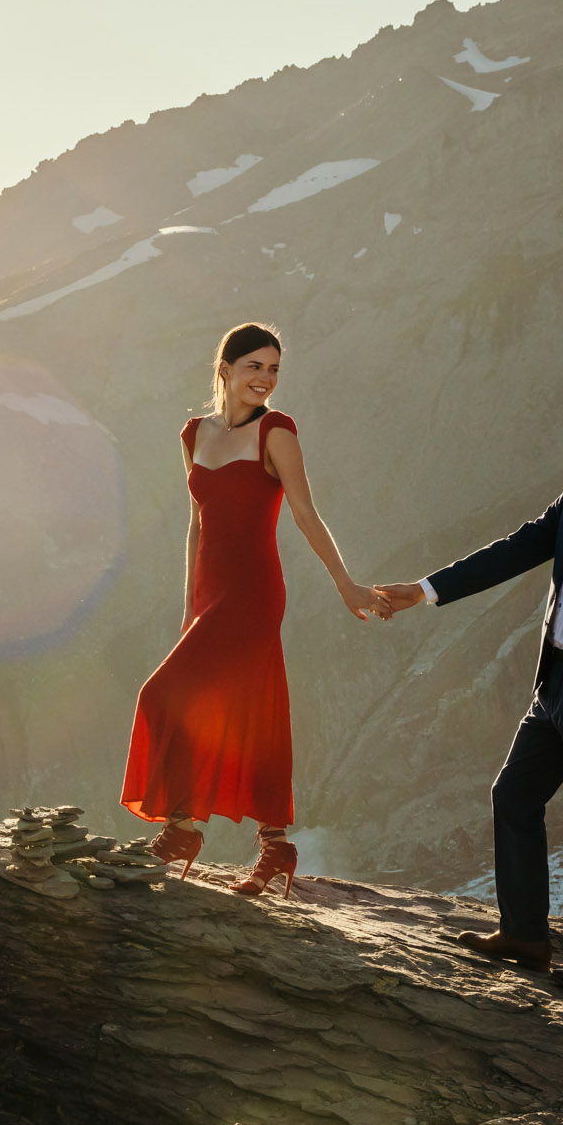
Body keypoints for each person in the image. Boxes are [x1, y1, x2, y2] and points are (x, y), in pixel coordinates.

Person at [373, 381, 563, 1003]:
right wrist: (425, 590)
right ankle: (525, 937)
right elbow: (513, 551)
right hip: (555, 685)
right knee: (513, 795)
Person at [122, 322, 383, 898]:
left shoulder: (278, 431)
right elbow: (197, 524)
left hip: (254, 591)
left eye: (273, 370)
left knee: (162, 695)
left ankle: (183, 830)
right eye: (254, 367)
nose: (265, 379)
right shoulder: (194, 434)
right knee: (244, 708)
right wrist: (192, 604)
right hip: (212, 594)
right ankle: (274, 844)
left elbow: (306, 514)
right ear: (226, 369)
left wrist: (346, 585)